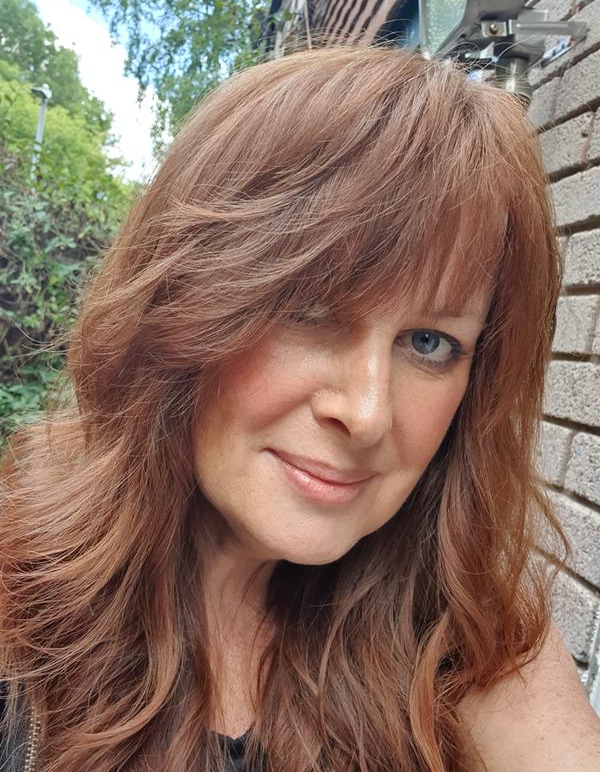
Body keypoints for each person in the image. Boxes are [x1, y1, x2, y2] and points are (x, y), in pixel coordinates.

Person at [1, 44, 599, 772]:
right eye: (310, 311)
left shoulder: (464, 642)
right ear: (180, 302)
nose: (368, 412)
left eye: (430, 343)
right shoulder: (22, 600)